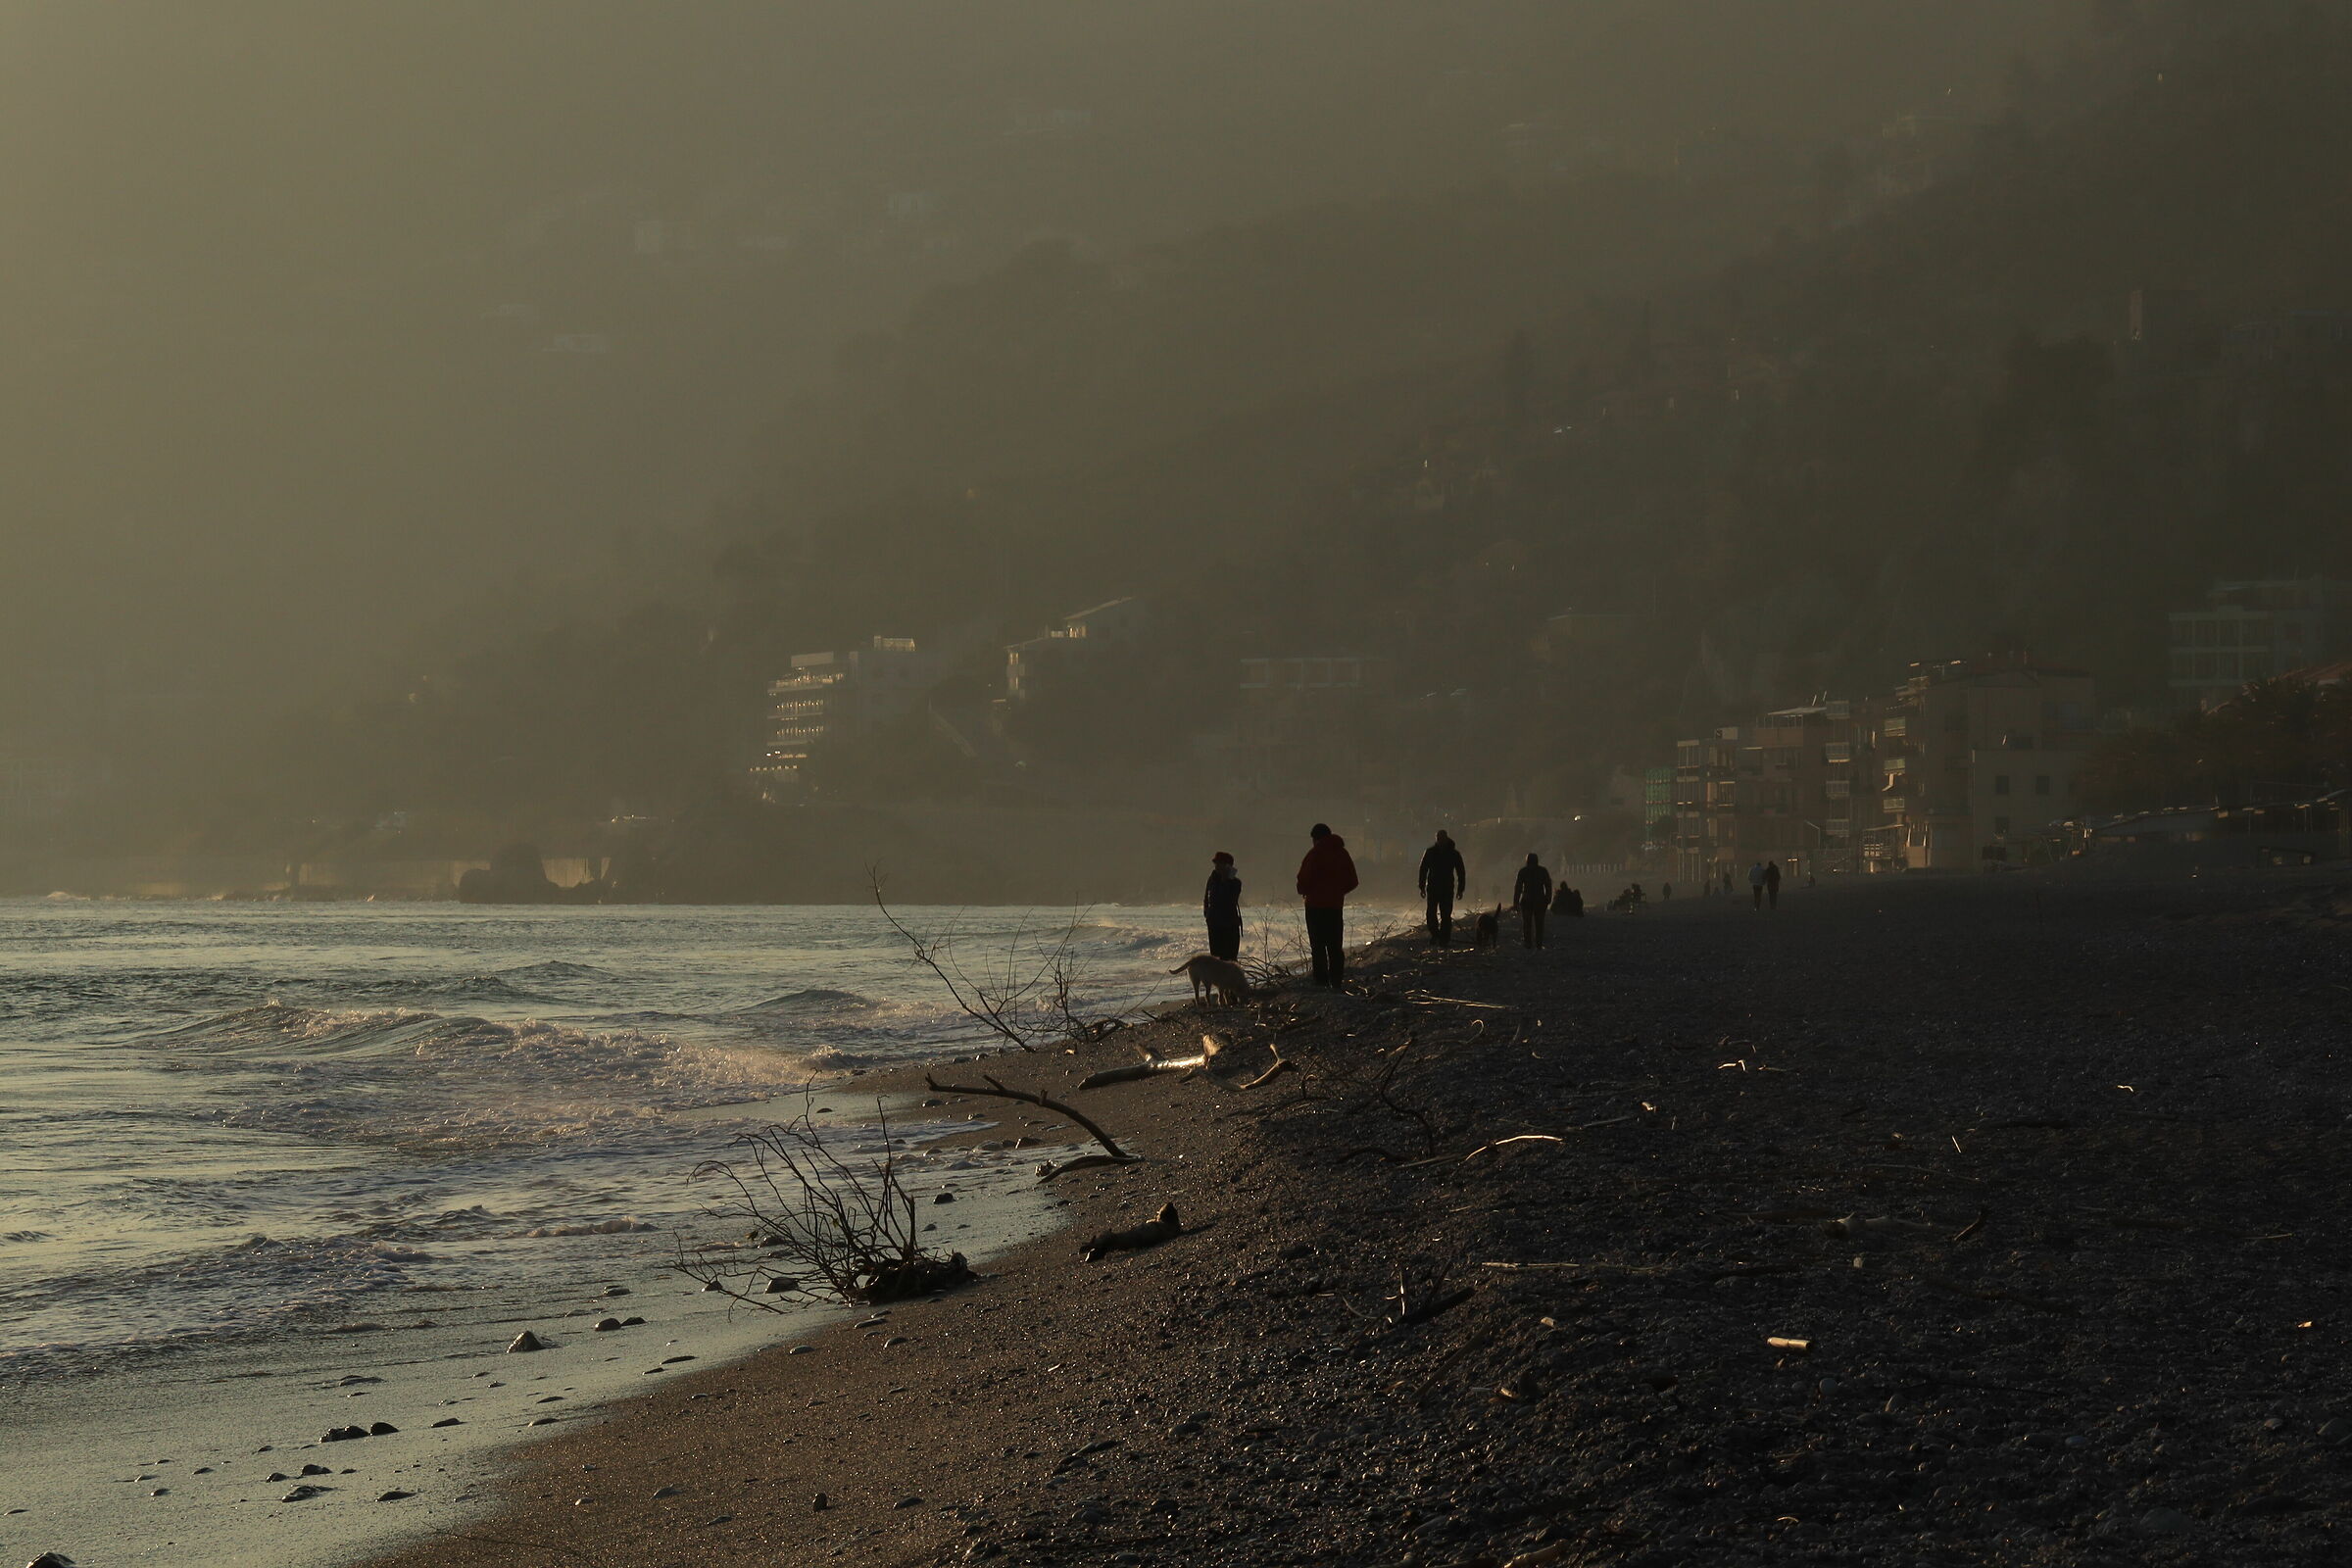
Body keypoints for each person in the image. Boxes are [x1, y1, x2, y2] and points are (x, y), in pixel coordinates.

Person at [1295, 822, 1359, 989]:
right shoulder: (1342, 853)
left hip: (1315, 906)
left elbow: (1303, 879)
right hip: (1335, 907)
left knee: (1318, 946)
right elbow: (1353, 881)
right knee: (1335, 946)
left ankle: (1321, 981)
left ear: (1315, 838)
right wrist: (1338, 892)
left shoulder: (1315, 854)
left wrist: (1305, 890)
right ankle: (1336, 980)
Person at [1417, 829, 1466, 948]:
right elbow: (1423, 870)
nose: (1440, 841)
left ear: (1446, 838)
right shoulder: (1430, 852)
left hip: (1447, 888)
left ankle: (1444, 939)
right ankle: (1435, 935)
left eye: (1442, 838)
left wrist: (1460, 889)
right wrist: (1422, 887)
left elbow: (1461, 872)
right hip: (1433, 888)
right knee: (1431, 913)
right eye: (1438, 838)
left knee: (1446, 915)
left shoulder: (1454, 854)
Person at [1202, 851, 1243, 960]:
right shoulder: (1212, 880)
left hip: (1229, 926)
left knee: (1230, 960)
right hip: (1214, 926)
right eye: (1216, 864)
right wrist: (1207, 915)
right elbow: (1206, 898)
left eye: (1219, 864)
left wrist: (1226, 880)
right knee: (1216, 960)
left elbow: (1230, 900)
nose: (1216, 867)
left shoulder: (1235, 883)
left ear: (1227, 866)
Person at [1512, 853, 1553, 949]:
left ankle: (1528, 943)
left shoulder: (1523, 871)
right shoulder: (1543, 871)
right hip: (1540, 900)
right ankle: (1538, 943)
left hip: (1527, 900)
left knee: (1527, 924)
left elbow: (1518, 887)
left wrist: (1516, 902)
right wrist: (1548, 898)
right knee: (1539, 924)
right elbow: (1548, 885)